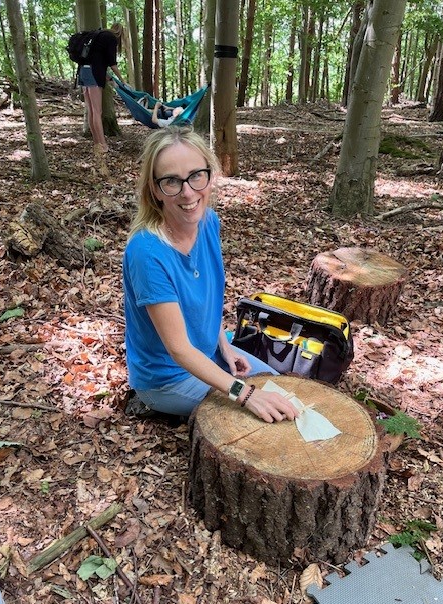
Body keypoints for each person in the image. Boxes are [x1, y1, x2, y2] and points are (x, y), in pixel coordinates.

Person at [122, 126, 299, 424]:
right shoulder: (146, 253)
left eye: (196, 175)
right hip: (168, 380)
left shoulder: (208, 222)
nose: (188, 192)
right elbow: (179, 349)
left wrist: (224, 347)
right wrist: (245, 394)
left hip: (208, 354)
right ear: (155, 189)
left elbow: (207, 302)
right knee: (260, 418)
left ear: (210, 174)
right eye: (171, 181)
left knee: (286, 394)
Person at [77, 23, 124, 154]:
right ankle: (103, 145)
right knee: (97, 112)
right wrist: (123, 81)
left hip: (83, 71)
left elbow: (98, 60)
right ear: (121, 34)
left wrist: (109, 78)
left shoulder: (99, 35)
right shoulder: (111, 38)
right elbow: (112, 64)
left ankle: (97, 143)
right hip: (93, 74)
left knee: (92, 111)